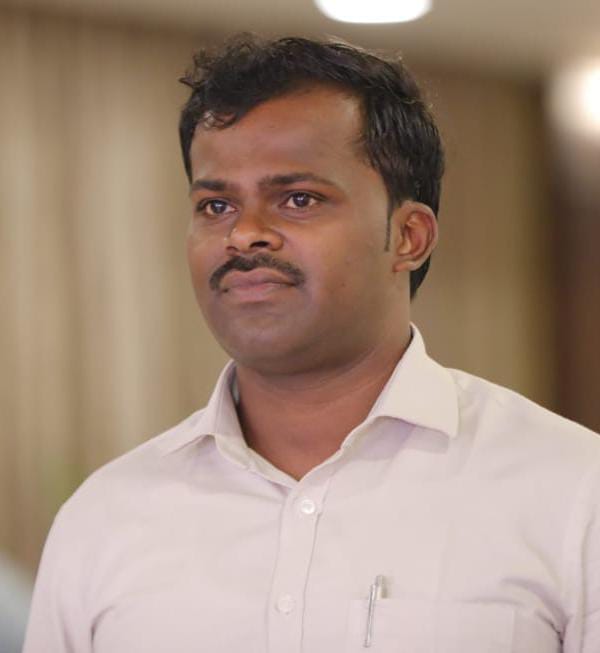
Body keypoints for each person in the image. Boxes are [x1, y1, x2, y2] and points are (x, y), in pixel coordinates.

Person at [23, 35, 599, 653]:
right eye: (215, 205)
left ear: (409, 237)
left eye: (298, 199)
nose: (244, 234)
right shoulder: (106, 517)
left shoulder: (572, 491)